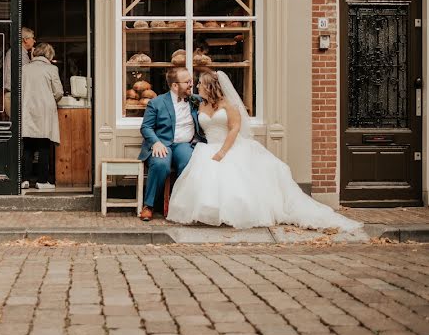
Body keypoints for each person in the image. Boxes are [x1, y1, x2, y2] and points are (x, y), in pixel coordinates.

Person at [167, 70, 362, 231]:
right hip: (207, 148)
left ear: (209, 86)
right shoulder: (199, 103)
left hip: (228, 147)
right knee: (206, 181)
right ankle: (208, 214)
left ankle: (234, 215)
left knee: (233, 183)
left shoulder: (228, 105)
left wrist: (223, 152)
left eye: (200, 83)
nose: (197, 86)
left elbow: (234, 128)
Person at [139, 67, 205, 221]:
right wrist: (155, 142)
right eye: (187, 81)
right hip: (163, 144)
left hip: (185, 144)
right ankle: (149, 205)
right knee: (160, 164)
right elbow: (146, 127)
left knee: (189, 162)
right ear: (175, 86)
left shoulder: (196, 100)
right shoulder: (156, 102)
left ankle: (182, 204)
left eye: (191, 80)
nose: (191, 84)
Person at [21, 42, 63, 190]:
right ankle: (42, 181)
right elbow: (58, 92)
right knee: (44, 144)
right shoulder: (52, 69)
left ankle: (24, 180)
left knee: (28, 145)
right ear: (49, 56)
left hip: (27, 109)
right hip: (45, 111)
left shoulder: (24, 69)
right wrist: (51, 98)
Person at [2, 27, 35, 119]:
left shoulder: (19, 52)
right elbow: (28, 74)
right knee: (19, 128)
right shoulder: (18, 53)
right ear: (25, 40)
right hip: (15, 96)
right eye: (32, 38)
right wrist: (33, 59)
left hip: (13, 95)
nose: (34, 41)